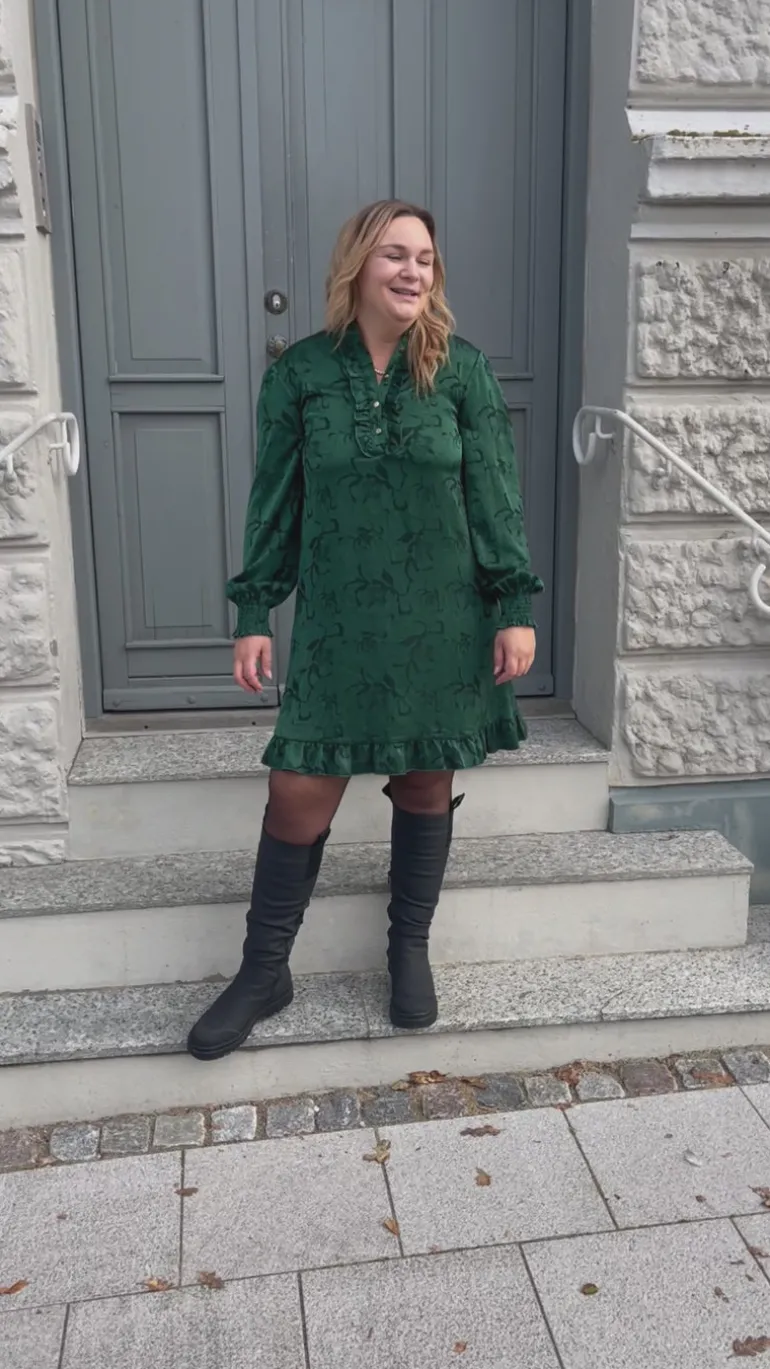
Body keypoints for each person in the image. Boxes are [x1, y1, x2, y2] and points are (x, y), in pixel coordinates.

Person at [187, 199, 542, 1062]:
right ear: (357, 266)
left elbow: (494, 495)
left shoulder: (461, 371)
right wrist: (254, 610)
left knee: (424, 780)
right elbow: (275, 498)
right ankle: (263, 971)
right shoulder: (302, 374)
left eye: (424, 257)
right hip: (338, 625)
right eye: (394, 254)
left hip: (442, 619)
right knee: (297, 789)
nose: (413, 271)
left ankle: (407, 949)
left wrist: (513, 606)